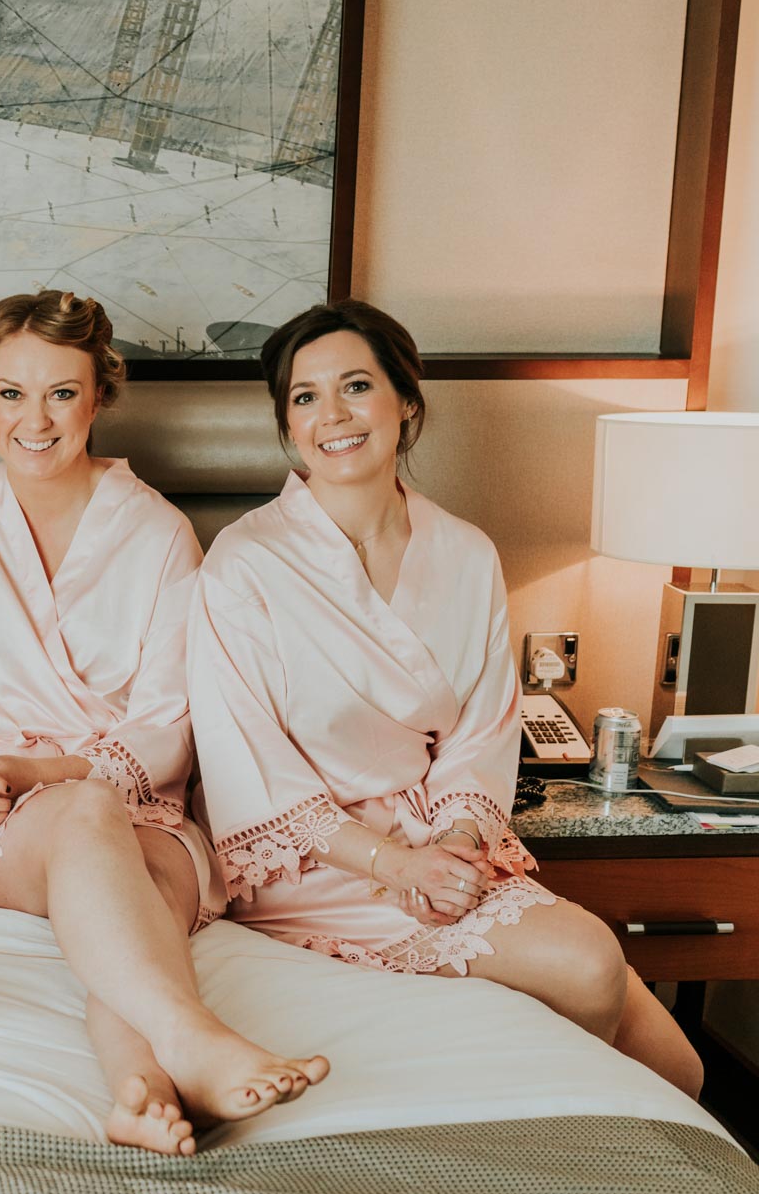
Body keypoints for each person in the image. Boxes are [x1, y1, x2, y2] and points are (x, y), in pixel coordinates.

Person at [190, 298, 703, 1097]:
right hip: (315, 860)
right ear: (288, 424)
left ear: (406, 402)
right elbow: (245, 762)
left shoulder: (465, 553)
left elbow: (484, 732)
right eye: (305, 396)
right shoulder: (243, 564)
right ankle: (559, 1133)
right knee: (588, 956)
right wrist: (397, 866)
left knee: (683, 1069)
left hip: (439, 839)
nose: (332, 415)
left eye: (356, 385)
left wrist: (456, 843)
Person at [0, 290, 328, 1155]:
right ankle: (195, 1037)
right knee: (85, 826)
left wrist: (49, 774)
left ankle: (140, 1089)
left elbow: (169, 722)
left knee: (128, 887)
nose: (34, 420)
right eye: (10, 393)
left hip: (138, 805)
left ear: (100, 396)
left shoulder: (157, 535)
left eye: (61, 393)